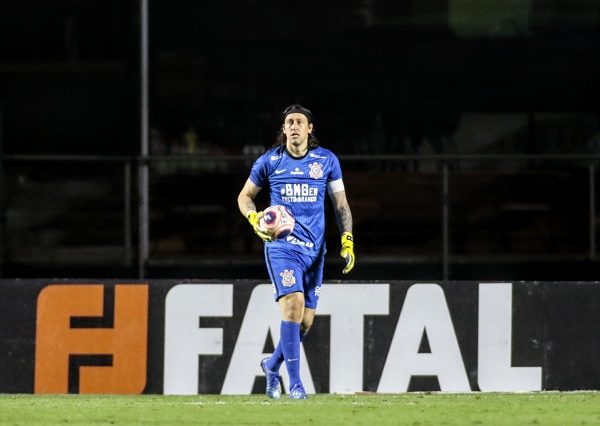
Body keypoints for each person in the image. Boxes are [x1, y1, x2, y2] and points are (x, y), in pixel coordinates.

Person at [237, 104, 355, 399]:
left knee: (305, 321)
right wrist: (254, 219)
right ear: (284, 129)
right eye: (289, 122)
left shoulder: (326, 161)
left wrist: (348, 240)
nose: (293, 126)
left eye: (299, 122)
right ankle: (296, 385)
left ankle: (271, 364)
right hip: (282, 247)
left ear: (309, 128)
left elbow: (341, 205)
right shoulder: (270, 162)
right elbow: (245, 197)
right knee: (293, 305)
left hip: (315, 251)